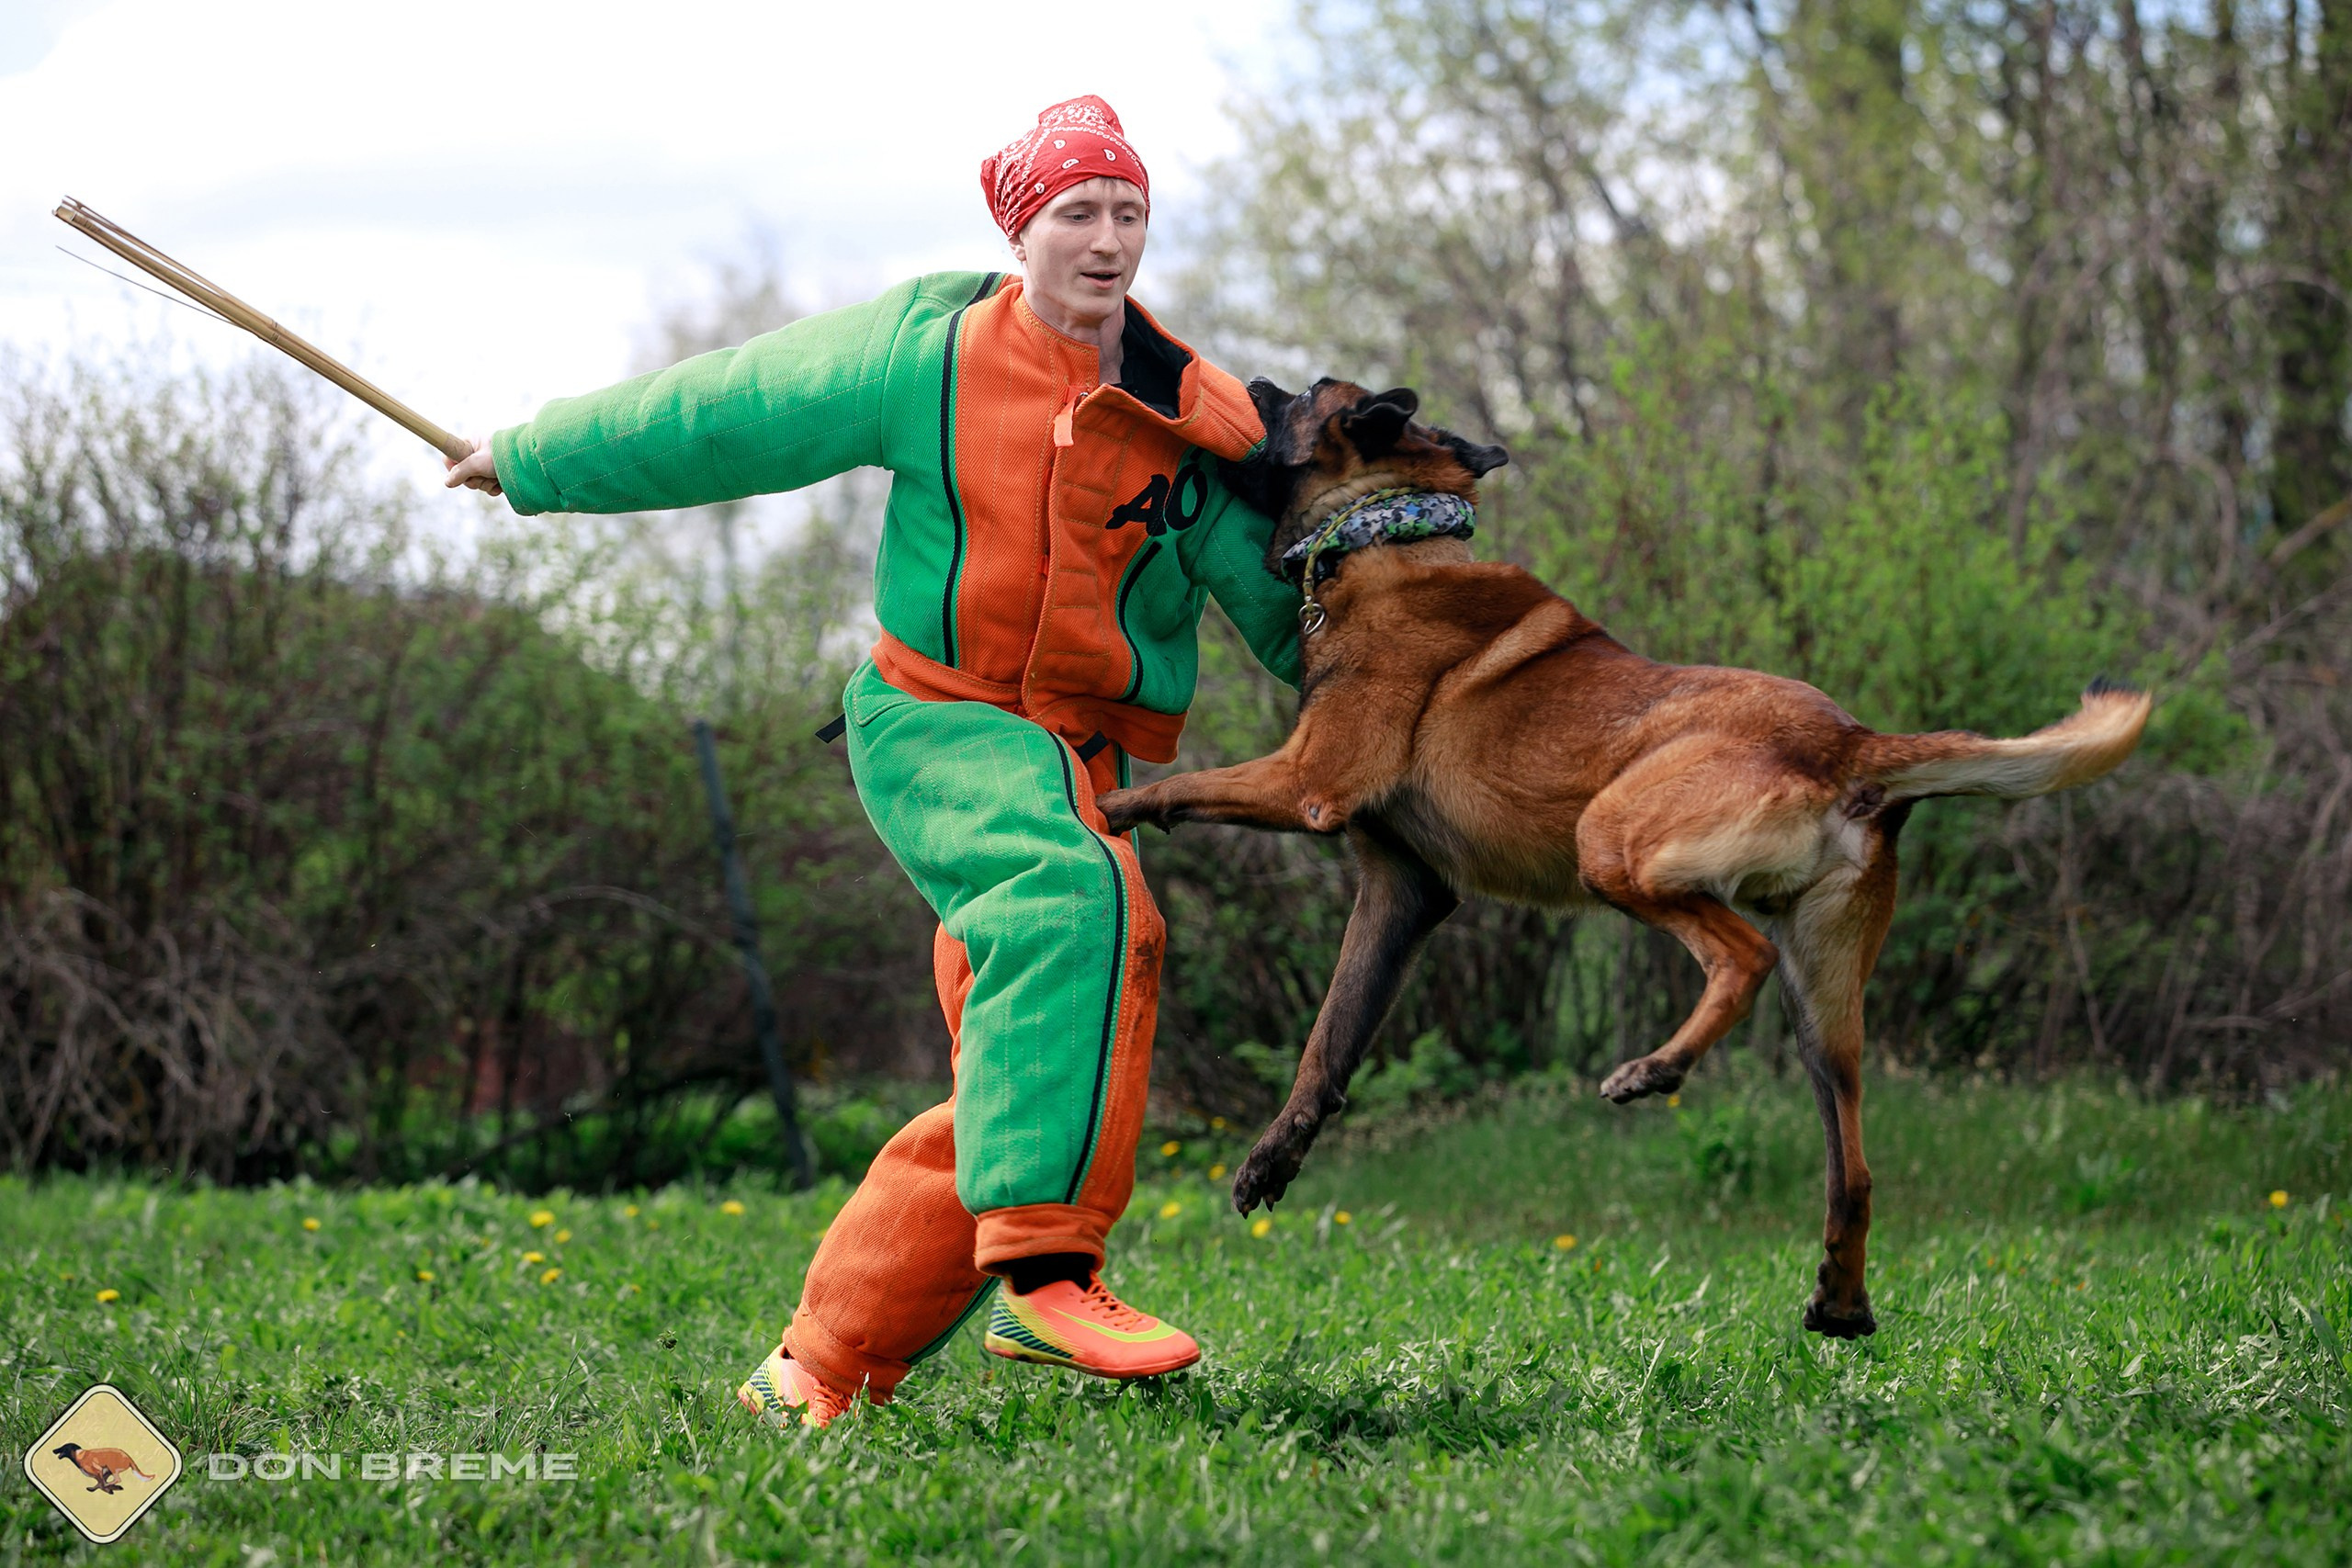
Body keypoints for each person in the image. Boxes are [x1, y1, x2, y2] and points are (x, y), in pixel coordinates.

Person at [445, 96, 1300, 1428]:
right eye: (1078, 213)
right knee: (1078, 904)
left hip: (1082, 756)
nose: (1107, 239)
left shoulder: (1197, 417)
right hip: (938, 718)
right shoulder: (927, 356)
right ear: (1022, 229)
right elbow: (734, 409)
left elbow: (1300, 615)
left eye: (1129, 213)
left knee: (1027, 1060)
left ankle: (817, 1373)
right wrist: (539, 458)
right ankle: (1048, 1275)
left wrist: (1456, 694)